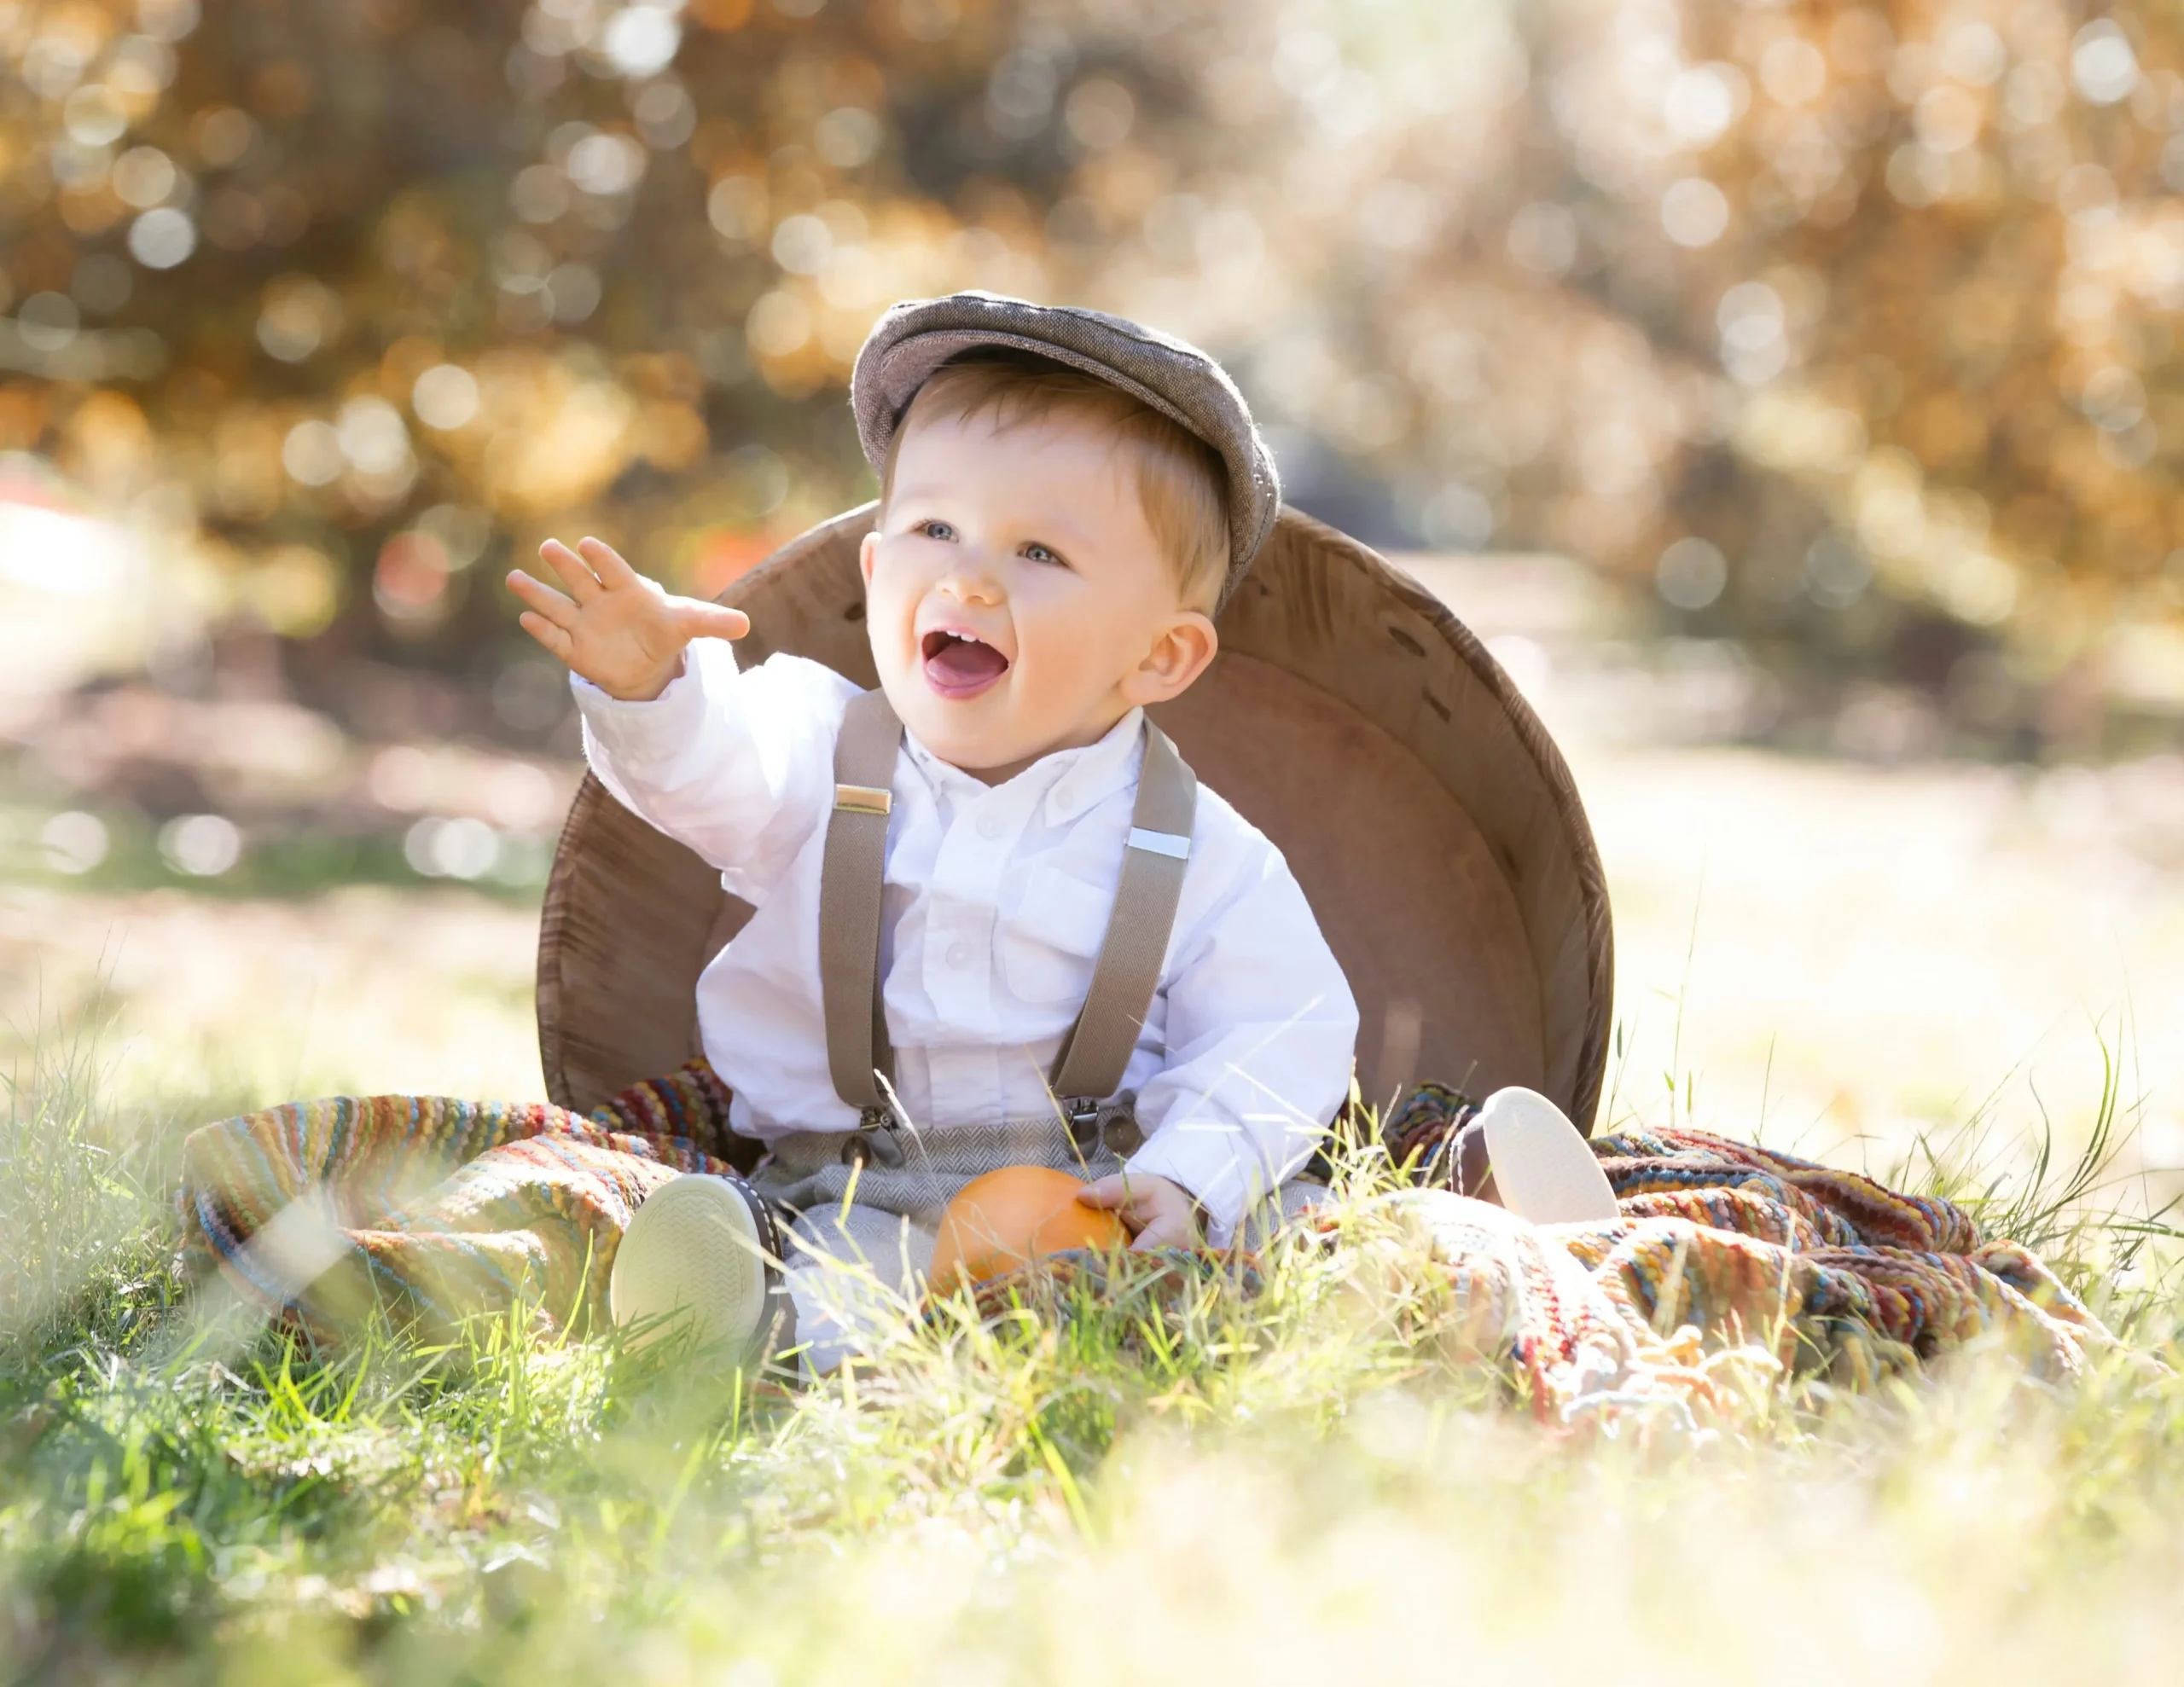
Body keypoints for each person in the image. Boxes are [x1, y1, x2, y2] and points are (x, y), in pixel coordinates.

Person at [504, 292, 1611, 1374]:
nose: (970, 574)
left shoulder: (1196, 852)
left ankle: (1484, 1227)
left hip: (1115, 1198)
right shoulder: (811, 754)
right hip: (862, 1187)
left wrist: (1189, 1177)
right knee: (838, 1292)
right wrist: (653, 690)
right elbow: (704, 773)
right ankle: (714, 1304)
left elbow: (1281, 1029)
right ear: (879, 571)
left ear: (1159, 657)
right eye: (934, 528)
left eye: (1040, 553)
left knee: (1292, 1252)